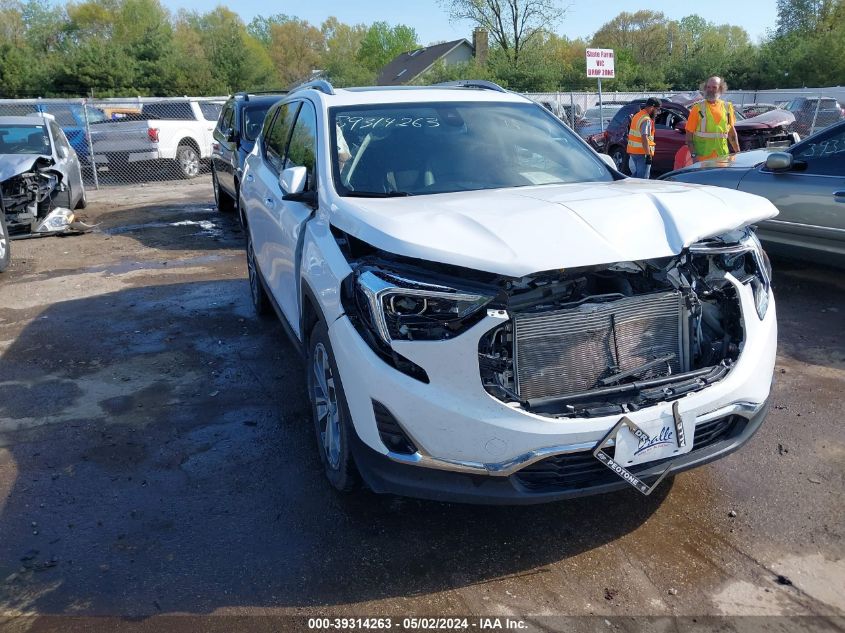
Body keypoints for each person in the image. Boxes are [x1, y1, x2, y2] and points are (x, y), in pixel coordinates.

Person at [686, 76, 740, 162]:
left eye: (714, 87)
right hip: (702, 158)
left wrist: (738, 153)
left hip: (722, 156)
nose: (710, 90)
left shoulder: (727, 107)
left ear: (720, 89)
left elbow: (731, 132)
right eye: (708, 87)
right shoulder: (697, 108)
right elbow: (689, 135)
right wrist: (694, 156)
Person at [626, 97, 660, 179]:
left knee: (636, 176)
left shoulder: (638, 115)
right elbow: (644, 137)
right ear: (652, 107)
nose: (658, 112)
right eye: (657, 109)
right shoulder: (646, 119)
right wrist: (648, 155)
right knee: (642, 180)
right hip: (642, 153)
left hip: (633, 151)